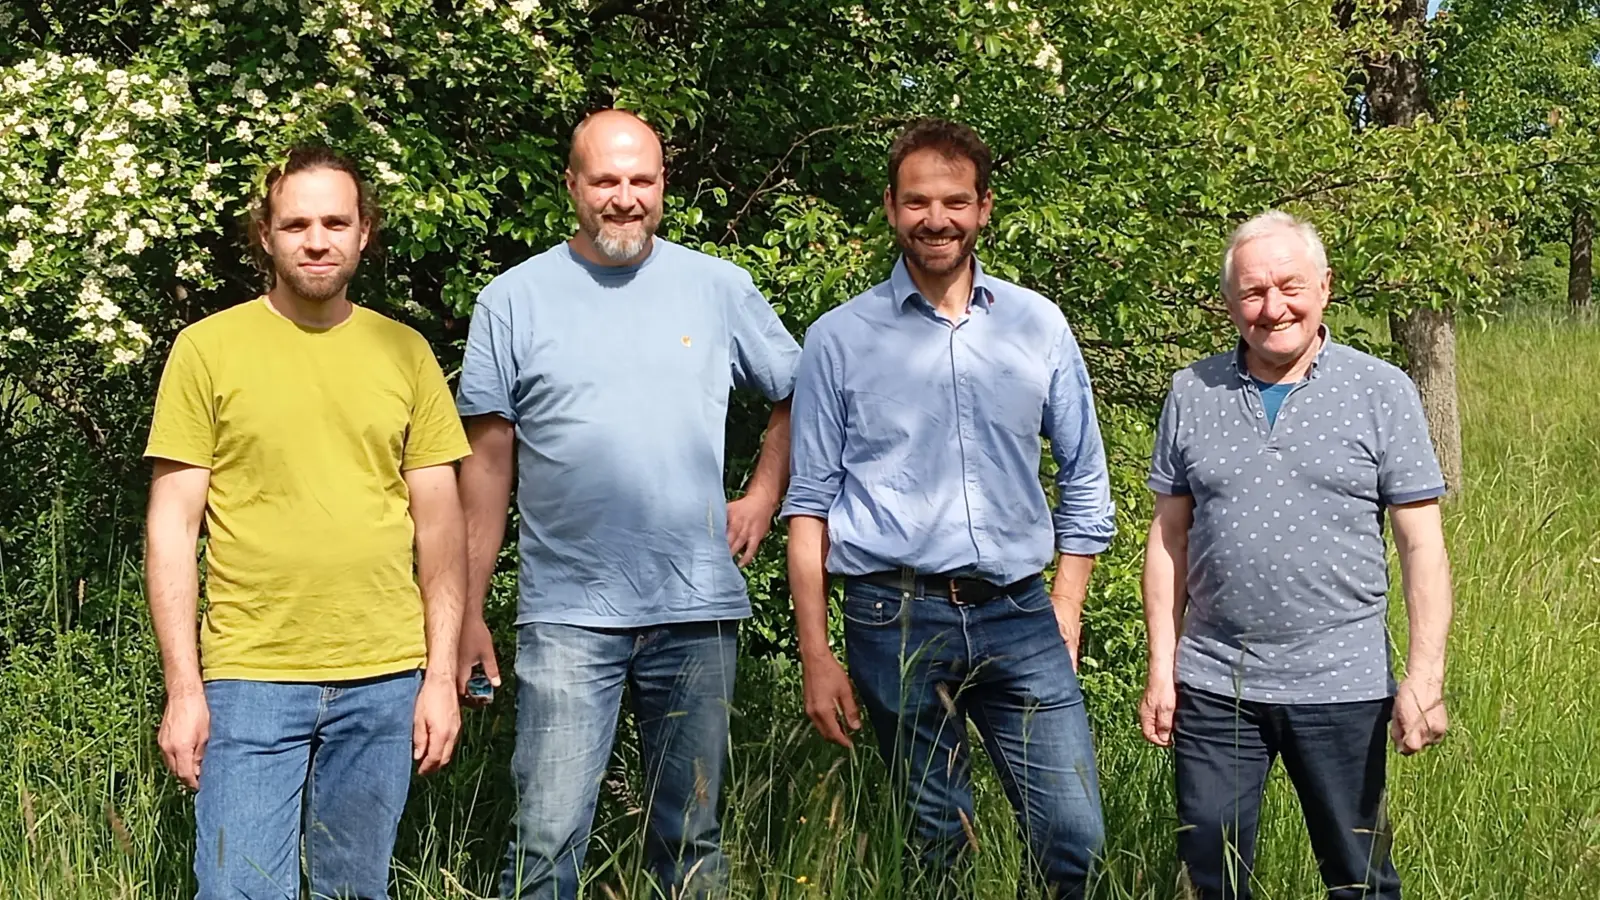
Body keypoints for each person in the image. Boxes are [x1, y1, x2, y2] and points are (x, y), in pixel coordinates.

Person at [454, 109, 800, 900]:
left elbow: (800, 391)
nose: (624, 198)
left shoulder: (719, 289)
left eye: (641, 180)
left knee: (694, 841)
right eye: (605, 180)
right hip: (568, 615)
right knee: (546, 836)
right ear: (572, 186)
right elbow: (485, 468)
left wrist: (761, 495)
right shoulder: (512, 301)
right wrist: (469, 611)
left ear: (663, 186)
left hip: (696, 612)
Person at [782, 118, 1117, 899]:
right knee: (937, 846)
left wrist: (1067, 604)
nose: (937, 219)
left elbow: (1086, 476)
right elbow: (809, 506)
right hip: (891, 614)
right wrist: (816, 652)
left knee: (1074, 838)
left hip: (1020, 612)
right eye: (918, 202)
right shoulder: (839, 338)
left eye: (956, 201)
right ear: (892, 209)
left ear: (985, 207)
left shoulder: (1038, 325)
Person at [143, 145, 470, 899]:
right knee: (237, 889)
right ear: (266, 234)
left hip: (384, 677)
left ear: (364, 233)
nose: (316, 240)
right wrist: (183, 688)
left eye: (334, 222)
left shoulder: (405, 353)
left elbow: (442, 530)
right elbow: (171, 528)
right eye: (297, 224)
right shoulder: (207, 350)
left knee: (355, 891)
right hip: (250, 677)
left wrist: (441, 678)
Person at [1139, 210, 1453, 900]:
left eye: (1289, 286)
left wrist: (1424, 675)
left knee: (1359, 878)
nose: (1272, 308)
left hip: (1342, 680)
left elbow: (1420, 542)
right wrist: (1162, 668)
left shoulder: (1382, 392)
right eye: (1252, 293)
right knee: (1210, 873)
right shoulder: (1193, 391)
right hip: (1217, 683)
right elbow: (1168, 538)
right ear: (1229, 303)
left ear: (1325, 287)